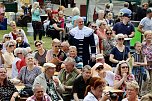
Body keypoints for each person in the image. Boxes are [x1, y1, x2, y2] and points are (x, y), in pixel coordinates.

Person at [141, 30, 152, 95]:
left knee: (151, 80)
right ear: (145, 36)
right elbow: (140, 53)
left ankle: (149, 94)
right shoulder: (142, 45)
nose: (149, 37)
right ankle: (143, 92)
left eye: (150, 35)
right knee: (146, 78)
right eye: (148, 35)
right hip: (145, 64)